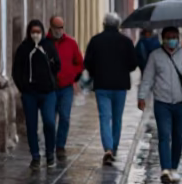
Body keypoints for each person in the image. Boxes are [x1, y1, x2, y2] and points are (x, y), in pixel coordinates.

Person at [138, 26, 182, 184]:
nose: (172, 39)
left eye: (174, 36)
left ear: (179, 38)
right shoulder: (155, 56)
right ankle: (165, 169)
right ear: (163, 39)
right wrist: (141, 97)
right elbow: (147, 78)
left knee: (178, 137)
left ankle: (174, 168)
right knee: (164, 135)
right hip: (162, 102)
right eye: (169, 37)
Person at [84, 12, 139, 165]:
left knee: (104, 117)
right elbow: (133, 64)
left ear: (104, 24)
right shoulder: (126, 42)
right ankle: (113, 148)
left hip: (102, 84)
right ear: (118, 25)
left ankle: (107, 148)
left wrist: (96, 72)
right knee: (117, 118)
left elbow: (87, 62)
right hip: (120, 86)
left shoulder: (95, 41)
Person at [12, 19, 61, 168]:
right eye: (33, 32)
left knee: (49, 122)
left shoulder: (48, 46)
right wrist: (23, 87)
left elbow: (57, 65)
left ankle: (50, 153)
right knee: (31, 126)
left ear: (43, 32)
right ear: (29, 32)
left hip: (48, 93)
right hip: (30, 94)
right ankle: (35, 156)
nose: (35, 35)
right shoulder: (23, 48)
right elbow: (16, 71)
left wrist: (50, 75)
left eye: (38, 32)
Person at [45, 14, 84, 159]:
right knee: (49, 119)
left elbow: (79, 62)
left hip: (66, 87)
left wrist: (73, 75)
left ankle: (60, 145)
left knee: (65, 117)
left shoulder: (71, 43)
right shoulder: (45, 43)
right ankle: (50, 144)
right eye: (57, 27)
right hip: (49, 88)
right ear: (51, 27)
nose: (60, 30)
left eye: (62, 27)